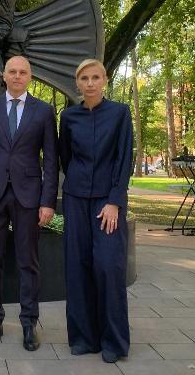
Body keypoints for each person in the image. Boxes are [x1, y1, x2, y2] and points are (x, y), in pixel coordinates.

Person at [0, 55, 58, 351]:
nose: (17, 76)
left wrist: (48, 201)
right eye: (12, 71)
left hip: (29, 196)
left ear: (30, 77)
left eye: (23, 72)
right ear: (4, 76)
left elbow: (51, 160)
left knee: (28, 261)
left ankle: (29, 323)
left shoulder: (44, 111)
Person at [59, 58, 133, 364]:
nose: (90, 83)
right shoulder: (68, 116)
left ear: (105, 80)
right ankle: (83, 338)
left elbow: (124, 158)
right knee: (77, 267)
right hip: (75, 199)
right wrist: (76, 185)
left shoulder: (119, 113)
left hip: (107, 202)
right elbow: (65, 157)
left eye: (95, 77)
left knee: (108, 266)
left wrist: (114, 201)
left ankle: (113, 341)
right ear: (77, 82)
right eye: (84, 78)